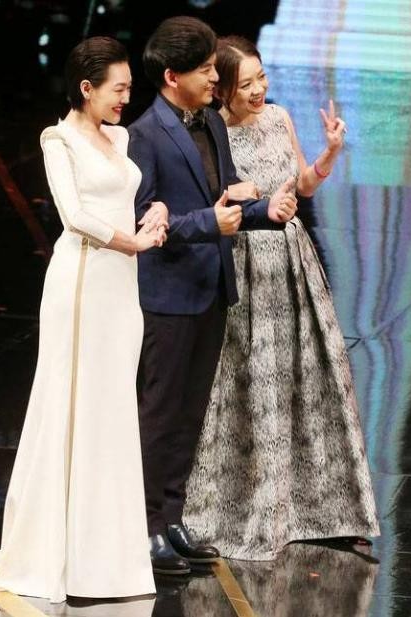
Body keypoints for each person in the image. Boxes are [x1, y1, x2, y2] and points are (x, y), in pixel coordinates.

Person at [0, 36, 165, 602]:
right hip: (83, 281)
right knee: (71, 405)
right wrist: (131, 242)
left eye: (128, 89)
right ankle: (55, 550)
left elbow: (128, 196)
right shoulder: (57, 140)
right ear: (86, 88)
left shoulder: (120, 137)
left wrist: (154, 211)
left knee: (110, 408)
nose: (126, 99)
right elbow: (75, 215)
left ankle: (102, 552)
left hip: (121, 285)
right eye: (118, 89)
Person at [181, 35, 379, 561]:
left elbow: (303, 187)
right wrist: (238, 197)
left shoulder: (278, 117)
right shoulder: (210, 132)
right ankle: (243, 510)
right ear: (221, 87)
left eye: (261, 78)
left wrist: (330, 152)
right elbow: (207, 202)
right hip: (245, 267)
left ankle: (320, 511)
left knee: (308, 383)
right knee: (248, 389)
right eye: (245, 83)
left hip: (292, 266)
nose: (258, 91)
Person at [127, 17, 299, 576]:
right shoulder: (146, 134)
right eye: (204, 70)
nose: (213, 79)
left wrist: (266, 212)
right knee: (160, 414)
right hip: (169, 294)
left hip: (212, 289)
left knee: (191, 413)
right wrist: (209, 223)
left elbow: (225, 199)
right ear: (172, 76)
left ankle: (172, 518)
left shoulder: (210, 124)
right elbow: (143, 221)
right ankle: (145, 527)